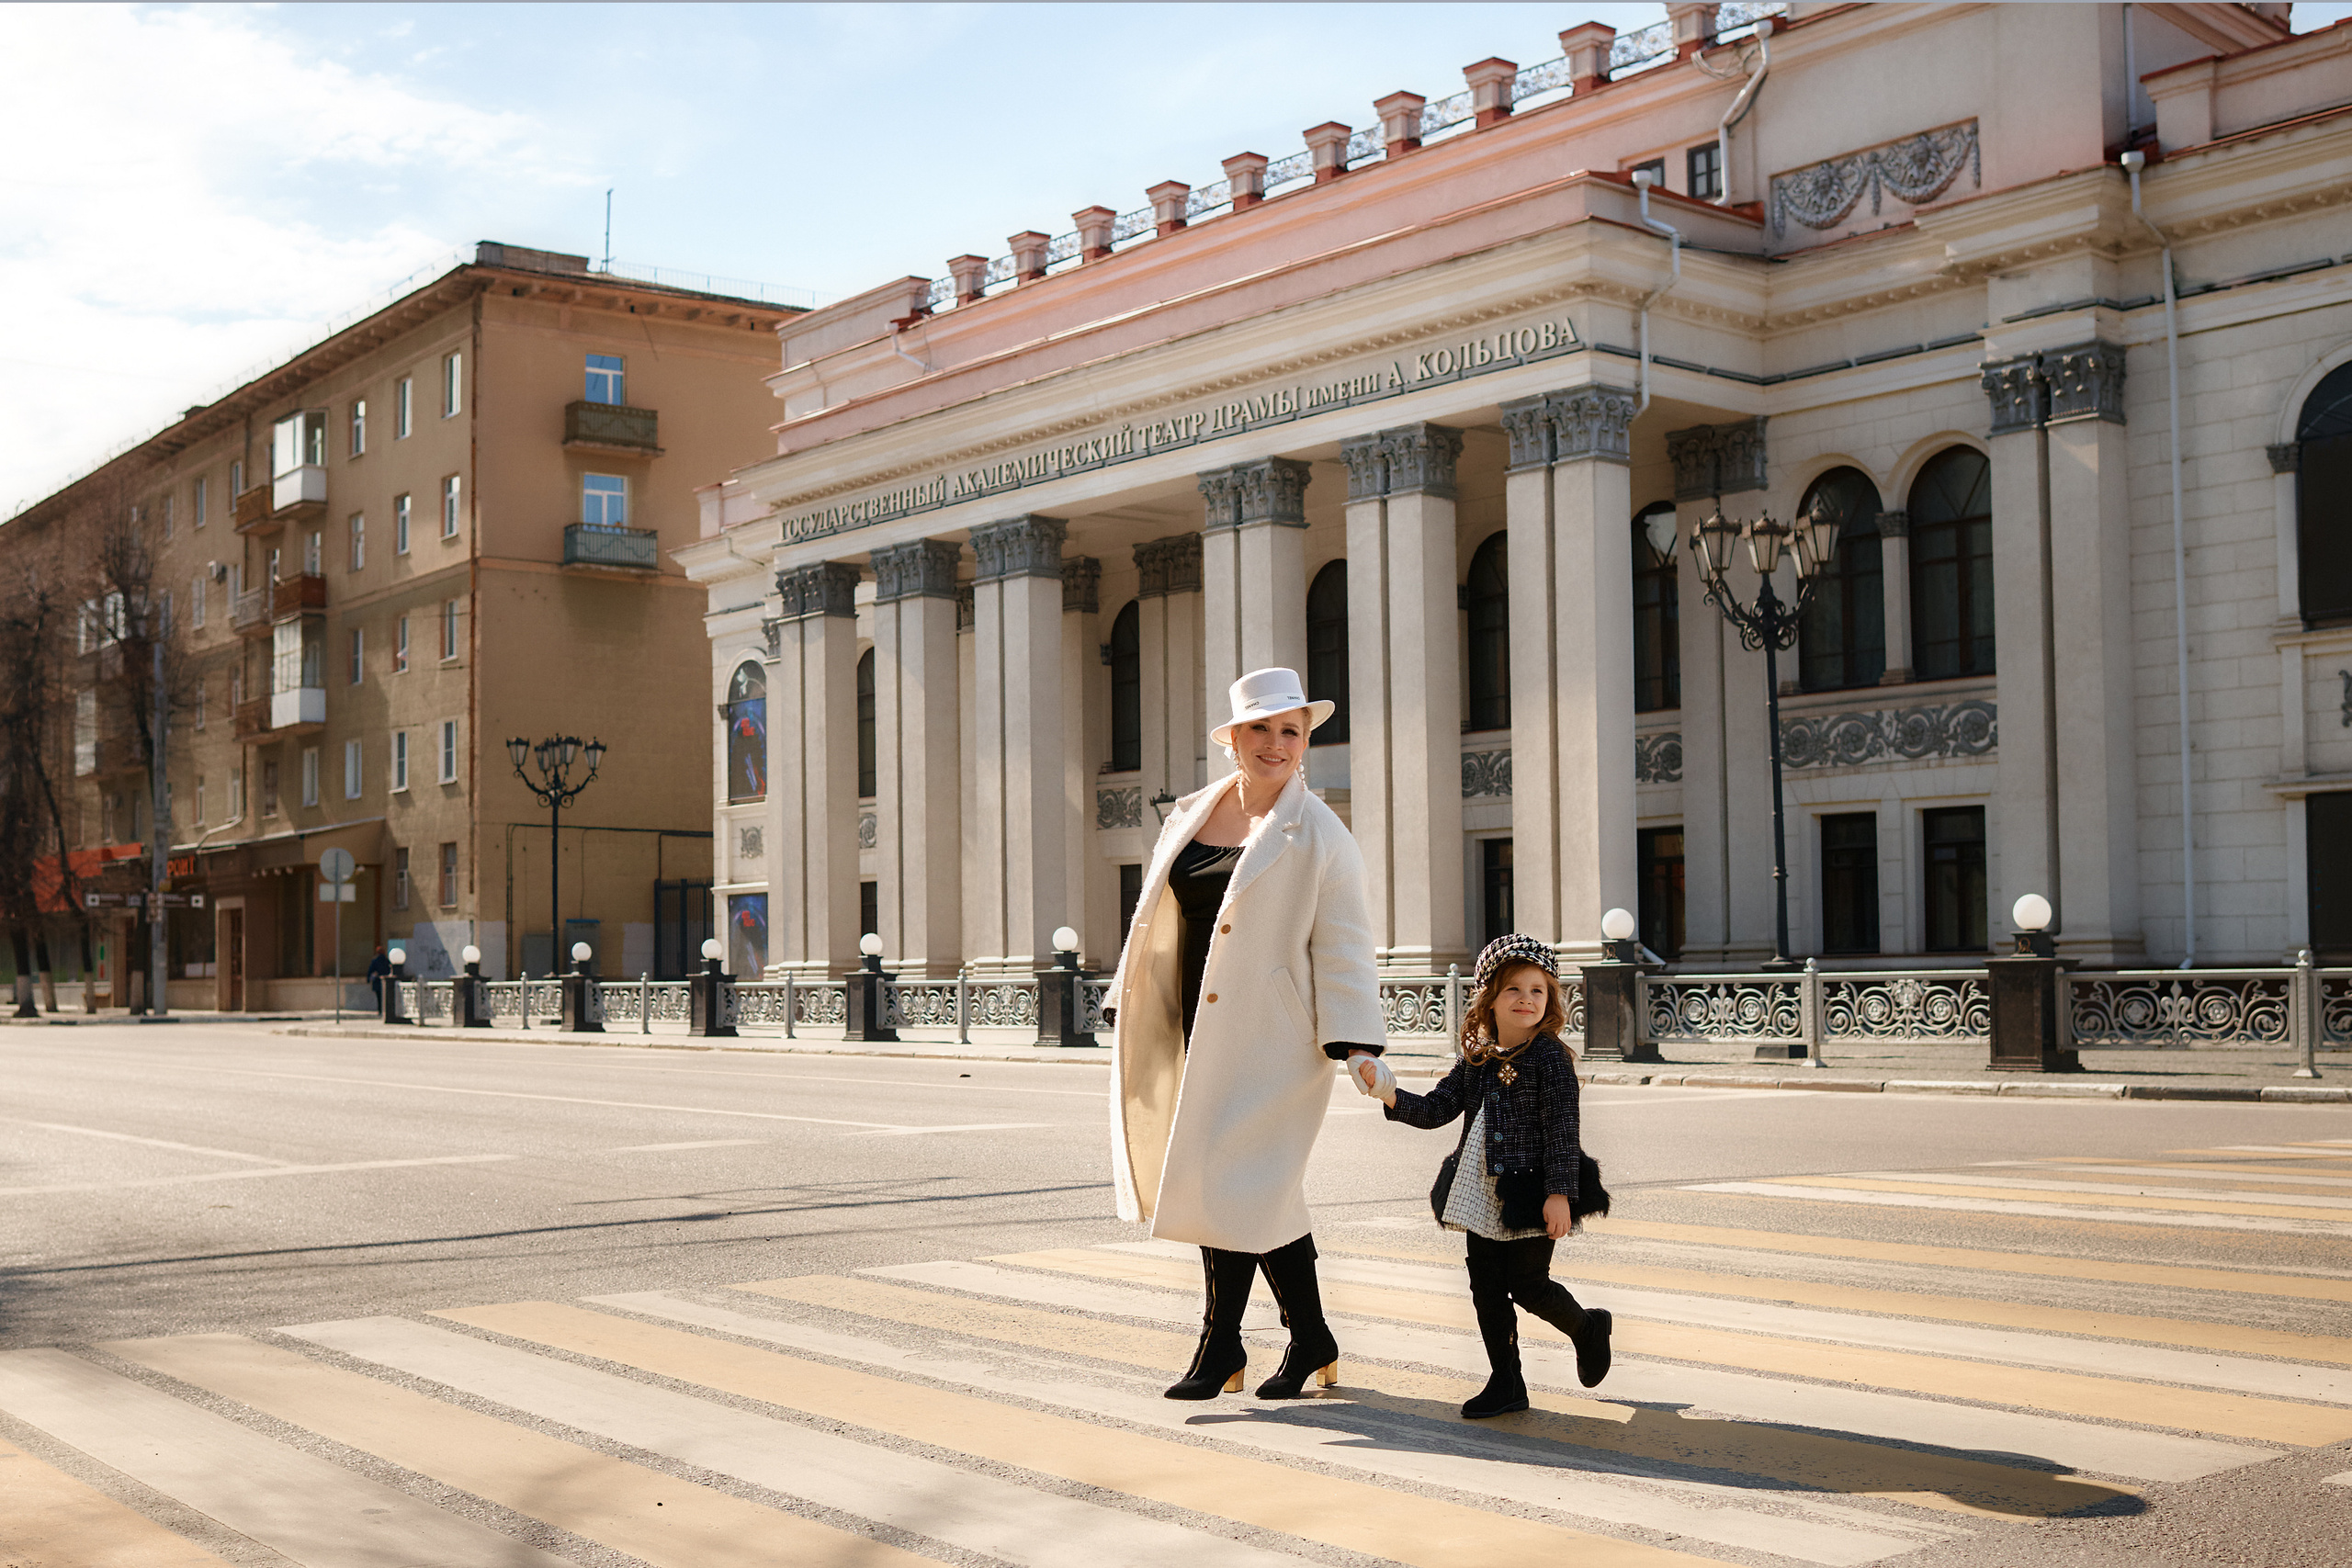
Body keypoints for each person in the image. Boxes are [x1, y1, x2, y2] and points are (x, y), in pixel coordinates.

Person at [1109, 667, 1388, 1401]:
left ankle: (1220, 1343)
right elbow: (1152, 914)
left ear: (1305, 741)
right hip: (1193, 1025)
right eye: (1260, 728)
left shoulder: (1320, 833)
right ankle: (1312, 1335)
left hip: (1275, 1040)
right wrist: (1122, 994)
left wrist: (1357, 1042)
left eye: (1290, 730)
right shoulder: (1191, 813)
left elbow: (1345, 944)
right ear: (1232, 738)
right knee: (1259, 1190)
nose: (1276, 743)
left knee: (1225, 1177)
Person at [1354, 932, 1613, 1416]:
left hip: (1531, 1191)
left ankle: (1588, 1327)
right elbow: (1437, 1109)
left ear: (1549, 1000)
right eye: (1513, 989)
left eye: (1537, 990)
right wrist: (1387, 1093)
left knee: (1530, 1286)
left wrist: (1559, 1193)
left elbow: (1562, 1130)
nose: (1526, 999)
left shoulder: (1550, 1058)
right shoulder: (1477, 1058)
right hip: (1481, 1192)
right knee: (1486, 1287)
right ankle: (1506, 1381)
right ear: (1490, 998)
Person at [365, 943, 392, 1007]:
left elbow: (370, 970)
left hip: (377, 982)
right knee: (385, 998)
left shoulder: (375, 961)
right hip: (386, 981)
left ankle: (380, 1009)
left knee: (379, 998)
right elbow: (389, 970)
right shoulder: (386, 961)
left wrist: (368, 979)